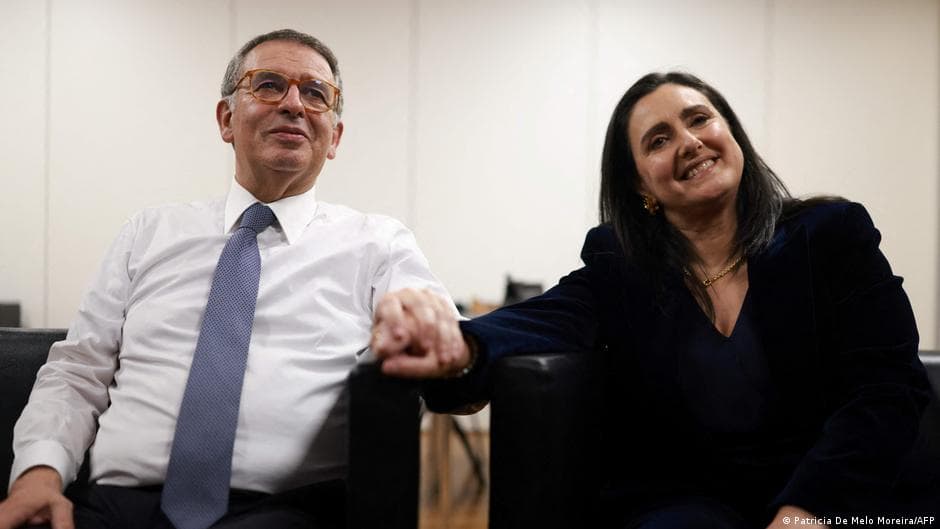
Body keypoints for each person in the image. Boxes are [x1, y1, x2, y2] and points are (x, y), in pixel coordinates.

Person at [372, 72, 935, 528]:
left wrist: (805, 512)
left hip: (835, 491)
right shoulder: (619, 264)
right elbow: (545, 320)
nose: (688, 142)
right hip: (687, 503)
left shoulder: (832, 235)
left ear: (731, 136)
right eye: (659, 139)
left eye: (699, 119)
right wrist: (457, 342)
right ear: (641, 185)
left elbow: (887, 389)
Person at [0, 29, 454, 529]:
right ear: (226, 119)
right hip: (115, 507)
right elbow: (77, 372)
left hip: (286, 511)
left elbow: (431, 321)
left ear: (335, 139)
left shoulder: (378, 243)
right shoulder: (147, 233)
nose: (294, 104)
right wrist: (38, 477)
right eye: (268, 84)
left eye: (315, 94)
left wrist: (422, 325)